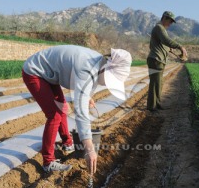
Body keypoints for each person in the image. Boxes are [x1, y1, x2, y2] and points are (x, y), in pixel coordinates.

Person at [22, 45, 132, 174]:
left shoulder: (98, 63)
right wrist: (89, 148)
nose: (106, 84)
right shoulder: (86, 68)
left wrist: (88, 97)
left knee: (62, 108)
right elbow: (81, 113)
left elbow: (89, 85)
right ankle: (48, 162)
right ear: (106, 70)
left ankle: (67, 143)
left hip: (49, 74)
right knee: (55, 114)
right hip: (35, 71)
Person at [147, 11, 188, 111]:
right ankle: (151, 107)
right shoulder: (159, 28)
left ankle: (157, 103)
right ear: (164, 18)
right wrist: (180, 47)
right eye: (170, 21)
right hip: (155, 60)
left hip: (158, 60)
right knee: (155, 83)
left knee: (159, 83)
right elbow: (165, 40)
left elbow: (157, 44)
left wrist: (167, 48)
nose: (170, 24)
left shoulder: (161, 29)